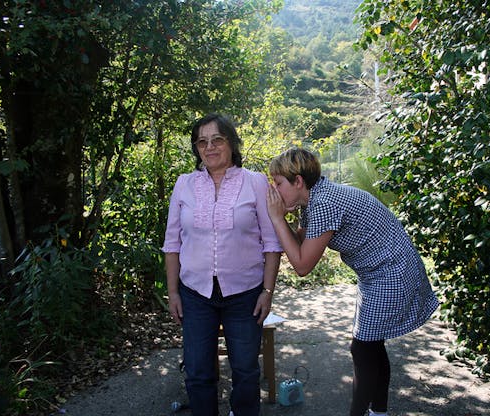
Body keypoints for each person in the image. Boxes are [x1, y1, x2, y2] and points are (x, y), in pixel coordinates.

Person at [266, 148, 439, 416]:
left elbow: (302, 266)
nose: (275, 190)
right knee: (371, 344)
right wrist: (280, 219)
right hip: (378, 271)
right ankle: (378, 412)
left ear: (298, 181)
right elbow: (299, 244)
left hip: (391, 270)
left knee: (363, 347)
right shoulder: (313, 200)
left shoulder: (324, 202)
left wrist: (277, 218)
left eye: (278, 183)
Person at [162, 113, 282, 416]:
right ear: (196, 148)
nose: (210, 147)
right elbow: (172, 243)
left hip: (244, 294)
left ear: (231, 143)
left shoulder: (255, 183)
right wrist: (173, 292)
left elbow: (271, 243)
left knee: (245, 370)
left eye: (217, 139)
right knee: (198, 370)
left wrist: (267, 291)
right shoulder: (184, 184)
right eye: (202, 141)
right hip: (195, 294)